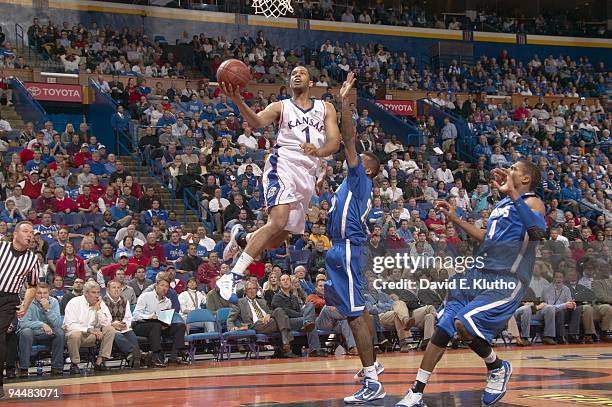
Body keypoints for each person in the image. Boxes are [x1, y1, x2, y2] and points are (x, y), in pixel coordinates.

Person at [396, 160, 546, 407]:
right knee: (444, 327)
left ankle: (497, 367)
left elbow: (538, 232)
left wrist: (513, 194)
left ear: (526, 179)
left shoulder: (532, 202)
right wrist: (454, 217)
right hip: (478, 273)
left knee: (463, 325)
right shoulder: (503, 204)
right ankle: (416, 392)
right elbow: (486, 237)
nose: (509, 170)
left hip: (506, 278)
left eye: (515, 169)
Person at [217, 65, 342, 302]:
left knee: (276, 239)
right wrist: (238, 101)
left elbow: (334, 142)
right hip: (282, 163)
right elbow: (256, 121)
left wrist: (318, 153)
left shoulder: (326, 108)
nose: (297, 74)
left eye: (302, 72)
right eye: (293, 73)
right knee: (279, 220)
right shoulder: (281, 106)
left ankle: (242, 237)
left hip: (307, 173)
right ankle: (232, 275)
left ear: (311, 82)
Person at [313, 73, 386, 403]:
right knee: (360, 310)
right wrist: (322, 195)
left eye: (360, 159)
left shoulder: (359, 178)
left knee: (355, 316)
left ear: (368, 169)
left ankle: (372, 382)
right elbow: (338, 214)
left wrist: (344, 101)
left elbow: (349, 137)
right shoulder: (348, 185)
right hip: (341, 250)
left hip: (346, 251)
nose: (353, 158)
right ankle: (376, 365)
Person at [0, 222, 40, 398]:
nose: (29, 235)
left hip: (9, 300)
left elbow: (32, 286)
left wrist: (25, 304)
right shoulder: (1, 246)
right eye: (25, 231)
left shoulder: (32, 259)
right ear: (14, 234)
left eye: (31, 232)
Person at [227, 280, 297, 358]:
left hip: (270, 323)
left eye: (254, 289)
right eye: (249, 289)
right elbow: (230, 318)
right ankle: (286, 344)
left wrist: (269, 314)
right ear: (245, 291)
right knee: (284, 319)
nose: (252, 291)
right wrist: (231, 328)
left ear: (257, 290)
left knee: (279, 310)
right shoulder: (239, 302)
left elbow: (272, 312)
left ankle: (285, 342)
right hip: (255, 325)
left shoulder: (262, 301)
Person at [63, 280, 116, 374]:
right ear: (86, 293)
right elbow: (69, 325)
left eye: (98, 292)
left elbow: (107, 323)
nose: (97, 295)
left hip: (93, 336)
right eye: (93, 292)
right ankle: (74, 364)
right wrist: (89, 330)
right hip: (75, 335)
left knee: (110, 329)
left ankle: (99, 362)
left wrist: (98, 310)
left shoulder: (100, 303)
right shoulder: (74, 302)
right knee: (76, 334)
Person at [17, 282, 65, 377]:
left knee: (59, 332)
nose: (42, 295)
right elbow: (23, 323)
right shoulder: (27, 302)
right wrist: (42, 324)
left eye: (45, 293)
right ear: (34, 293)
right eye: (39, 293)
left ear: (49, 293)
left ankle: (56, 367)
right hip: (31, 335)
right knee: (26, 332)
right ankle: (24, 368)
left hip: (46, 334)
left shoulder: (54, 302)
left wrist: (47, 310)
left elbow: (57, 324)